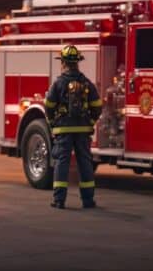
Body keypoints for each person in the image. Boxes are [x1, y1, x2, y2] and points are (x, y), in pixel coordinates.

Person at [44, 44, 103, 209]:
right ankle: (88, 200)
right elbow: (97, 106)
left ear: (63, 62)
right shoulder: (87, 83)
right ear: (78, 62)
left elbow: (49, 106)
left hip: (63, 129)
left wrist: (52, 124)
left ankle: (59, 200)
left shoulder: (58, 83)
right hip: (83, 130)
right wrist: (90, 122)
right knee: (85, 162)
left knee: (62, 163)